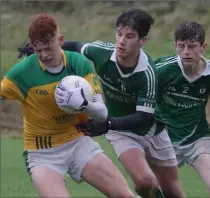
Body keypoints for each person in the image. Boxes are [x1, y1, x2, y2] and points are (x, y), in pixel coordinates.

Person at [17, 9, 186, 198]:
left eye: (129, 36)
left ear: (142, 41)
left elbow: (144, 117)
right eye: (119, 34)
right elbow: (73, 46)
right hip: (120, 131)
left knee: (174, 191)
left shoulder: (148, 73)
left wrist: (107, 124)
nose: (122, 41)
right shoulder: (102, 52)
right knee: (144, 182)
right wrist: (39, 47)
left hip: (150, 129)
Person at [1, 13, 135, 198]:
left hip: (79, 143)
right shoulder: (23, 72)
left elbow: (102, 114)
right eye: (38, 50)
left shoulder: (78, 63)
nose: (44, 55)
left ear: (61, 40)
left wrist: (84, 105)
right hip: (42, 153)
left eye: (48, 47)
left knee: (126, 196)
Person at [154, 21, 210, 198]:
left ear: (203, 47)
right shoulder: (162, 70)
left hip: (197, 139)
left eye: (191, 46)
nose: (186, 52)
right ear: (175, 45)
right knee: (154, 191)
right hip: (164, 141)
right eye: (181, 46)